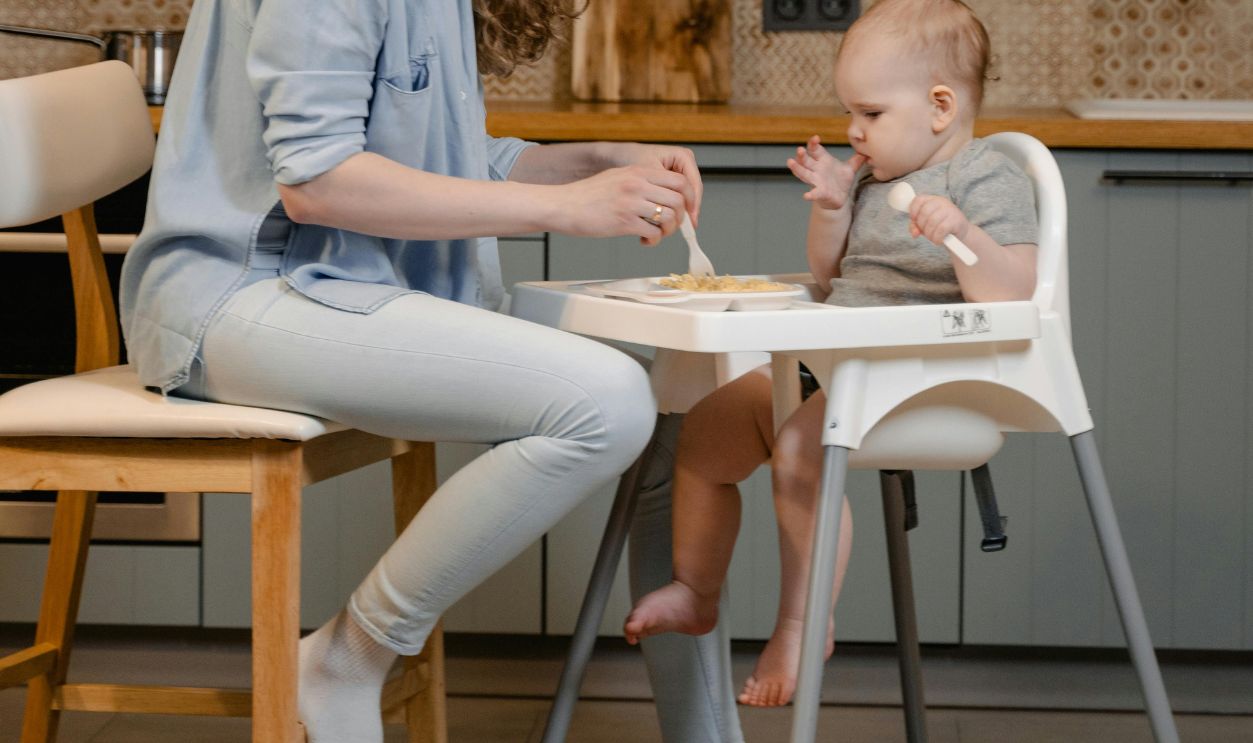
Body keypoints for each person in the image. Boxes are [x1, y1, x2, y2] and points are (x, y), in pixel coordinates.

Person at [117, 1, 705, 741]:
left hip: (347, 286)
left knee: (681, 398)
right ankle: (347, 656)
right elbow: (319, 180)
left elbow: (435, 159)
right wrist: (560, 206)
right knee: (608, 401)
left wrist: (592, 162)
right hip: (241, 296)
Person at [625, 0, 1039, 716]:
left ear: (940, 106)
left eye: (870, 113)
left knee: (797, 441)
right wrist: (832, 208)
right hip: (838, 364)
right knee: (709, 426)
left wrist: (961, 233)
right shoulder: (876, 182)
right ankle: (697, 589)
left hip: (929, 377)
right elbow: (828, 278)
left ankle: (800, 624)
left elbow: (1012, 294)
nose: (853, 130)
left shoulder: (984, 180)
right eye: (850, 112)